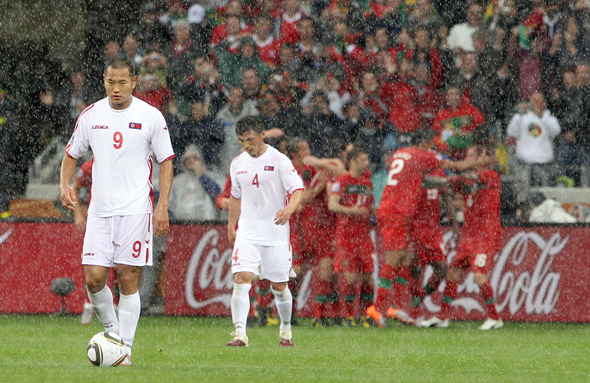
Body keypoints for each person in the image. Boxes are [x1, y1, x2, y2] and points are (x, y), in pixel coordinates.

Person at [59, 57, 174, 365]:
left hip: (136, 209)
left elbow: (166, 162)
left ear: (133, 82)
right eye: (111, 82)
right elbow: (72, 154)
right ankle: (112, 332)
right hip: (99, 211)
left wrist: (162, 205)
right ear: (104, 80)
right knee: (94, 279)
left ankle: (126, 348)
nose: (117, 88)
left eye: (123, 82)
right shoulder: (91, 115)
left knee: (127, 278)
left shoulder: (151, 116)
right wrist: (64, 185)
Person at [366, 127, 489, 328]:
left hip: (390, 207)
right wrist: (479, 163)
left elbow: (421, 180)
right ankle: (380, 308)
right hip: (398, 211)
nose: (432, 149)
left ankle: (389, 308)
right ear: (425, 144)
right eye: (431, 146)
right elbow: (455, 166)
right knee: (396, 259)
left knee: (400, 258)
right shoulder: (422, 157)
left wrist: (446, 182)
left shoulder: (401, 153)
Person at [226, 116, 304, 347]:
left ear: (262, 135)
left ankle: (286, 330)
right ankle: (240, 333)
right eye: (242, 141)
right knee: (242, 279)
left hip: (275, 233)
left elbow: (298, 188)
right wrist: (232, 224)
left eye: (250, 140)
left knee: (279, 287)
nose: (247, 146)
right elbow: (235, 196)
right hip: (247, 232)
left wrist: (289, 208)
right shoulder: (237, 163)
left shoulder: (279, 160)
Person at [421, 144, 503, 330]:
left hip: (486, 235)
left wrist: (444, 163)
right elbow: (444, 184)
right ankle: (442, 317)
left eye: (471, 155)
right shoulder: (465, 180)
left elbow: (471, 178)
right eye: (466, 155)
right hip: (469, 236)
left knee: (479, 276)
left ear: (484, 158)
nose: (467, 159)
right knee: (453, 274)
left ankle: (494, 317)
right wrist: (418, 177)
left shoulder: (491, 176)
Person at [328, 146, 375, 327]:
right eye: (363, 160)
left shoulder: (367, 183)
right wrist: (351, 211)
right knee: (350, 278)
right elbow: (332, 205)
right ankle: (347, 316)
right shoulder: (343, 180)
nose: (366, 163)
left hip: (364, 236)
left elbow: (371, 208)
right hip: (346, 236)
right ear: (353, 161)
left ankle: (365, 315)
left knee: (367, 277)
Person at [506, 91, 560, 186]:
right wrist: (520, 115)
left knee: (545, 195)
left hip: (544, 164)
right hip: (524, 164)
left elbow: (556, 131)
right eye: (533, 100)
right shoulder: (521, 117)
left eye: (538, 101)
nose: (535, 103)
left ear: (544, 103)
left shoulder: (550, 119)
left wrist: (541, 117)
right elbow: (511, 132)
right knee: (524, 195)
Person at [169, 145, 221, 221]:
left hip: (207, 225)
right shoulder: (177, 181)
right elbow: (169, 204)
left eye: (194, 158)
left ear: (200, 160)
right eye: (188, 159)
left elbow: (217, 195)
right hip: (181, 224)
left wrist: (202, 176)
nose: (191, 161)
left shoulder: (212, 177)